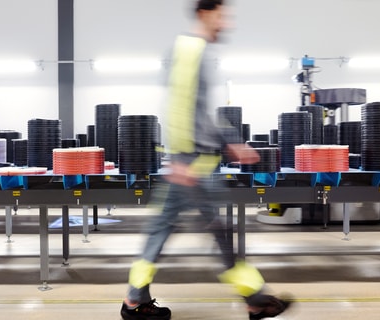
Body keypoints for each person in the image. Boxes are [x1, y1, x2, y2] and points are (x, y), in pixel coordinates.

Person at [120, 1, 292, 319]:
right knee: (218, 230)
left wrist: (232, 142)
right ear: (205, 13)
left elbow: (200, 113)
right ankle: (255, 299)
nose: (226, 23)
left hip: (193, 162)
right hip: (192, 165)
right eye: (222, 16)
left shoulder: (195, 51)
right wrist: (182, 160)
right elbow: (179, 107)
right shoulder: (189, 49)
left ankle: (135, 300)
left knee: (163, 228)